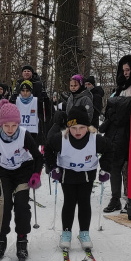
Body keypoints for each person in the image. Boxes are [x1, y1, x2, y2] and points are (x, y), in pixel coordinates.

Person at [0, 101, 43, 260]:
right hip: (4, 172)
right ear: (0, 124)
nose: (10, 129)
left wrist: (36, 174)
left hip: (23, 170)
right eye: (6, 125)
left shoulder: (24, 134)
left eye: (13, 125)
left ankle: (22, 239)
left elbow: (38, 156)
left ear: (18, 124)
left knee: (22, 204)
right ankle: (0, 239)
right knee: (4, 203)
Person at [46, 106, 110, 252]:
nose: (78, 131)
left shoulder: (96, 140)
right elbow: (48, 149)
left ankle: (84, 233)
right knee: (69, 201)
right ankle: (66, 233)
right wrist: (52, 167)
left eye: (81, 127)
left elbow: (110, 150)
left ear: (87, 127)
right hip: (67, 175)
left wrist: (105, 168)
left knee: (84, 201)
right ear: (69, 127)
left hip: (86, 175)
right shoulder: (61, 139)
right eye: (74, 128)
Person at [99, 55, 131, 213]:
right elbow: (109, 110)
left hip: (130, 132)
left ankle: (130, 198)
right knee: (114, 166)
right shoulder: (119, 88)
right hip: (114, 133)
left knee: (129, 168)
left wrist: (117, 109)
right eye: (124, 70)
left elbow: (127, 111)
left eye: (128, 69)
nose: (126, 73)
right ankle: (115, 199)